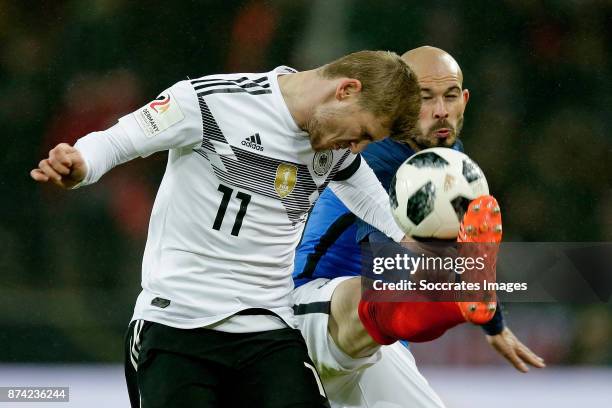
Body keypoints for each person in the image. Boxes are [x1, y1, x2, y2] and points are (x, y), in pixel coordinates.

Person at [30, 50, 422, 408]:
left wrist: (408, 240)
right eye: (365, 133)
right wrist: (81, 163)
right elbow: (119, 140)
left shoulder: (334, 147)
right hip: (177, 326)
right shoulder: (211, 101)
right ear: (346, 90)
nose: (357, 147)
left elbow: (368, 193)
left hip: (267, 332)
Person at [292, 46, 545, 407]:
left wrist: (493, 325)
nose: (441, 111)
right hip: (315, 321)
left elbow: (468, 256)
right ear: (400, 103)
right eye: (426, 98)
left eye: (450, 96)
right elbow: (388, 271)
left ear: (465, 100)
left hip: (376, 347)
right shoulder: (375, 159)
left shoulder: (450, 161)